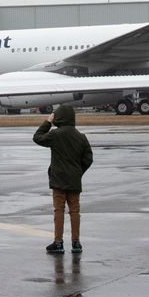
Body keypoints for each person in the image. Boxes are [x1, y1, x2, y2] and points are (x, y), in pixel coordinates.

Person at [33, 105, 94, 255]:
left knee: (59, 211)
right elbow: (88, 159)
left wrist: (47, 122)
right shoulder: (81, 137)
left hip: (58, 180)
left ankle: (58, 242)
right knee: (75, 211)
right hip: (74, 180)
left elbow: (37, 137)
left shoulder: (55, 135)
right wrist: (78, 172)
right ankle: (76, 242)